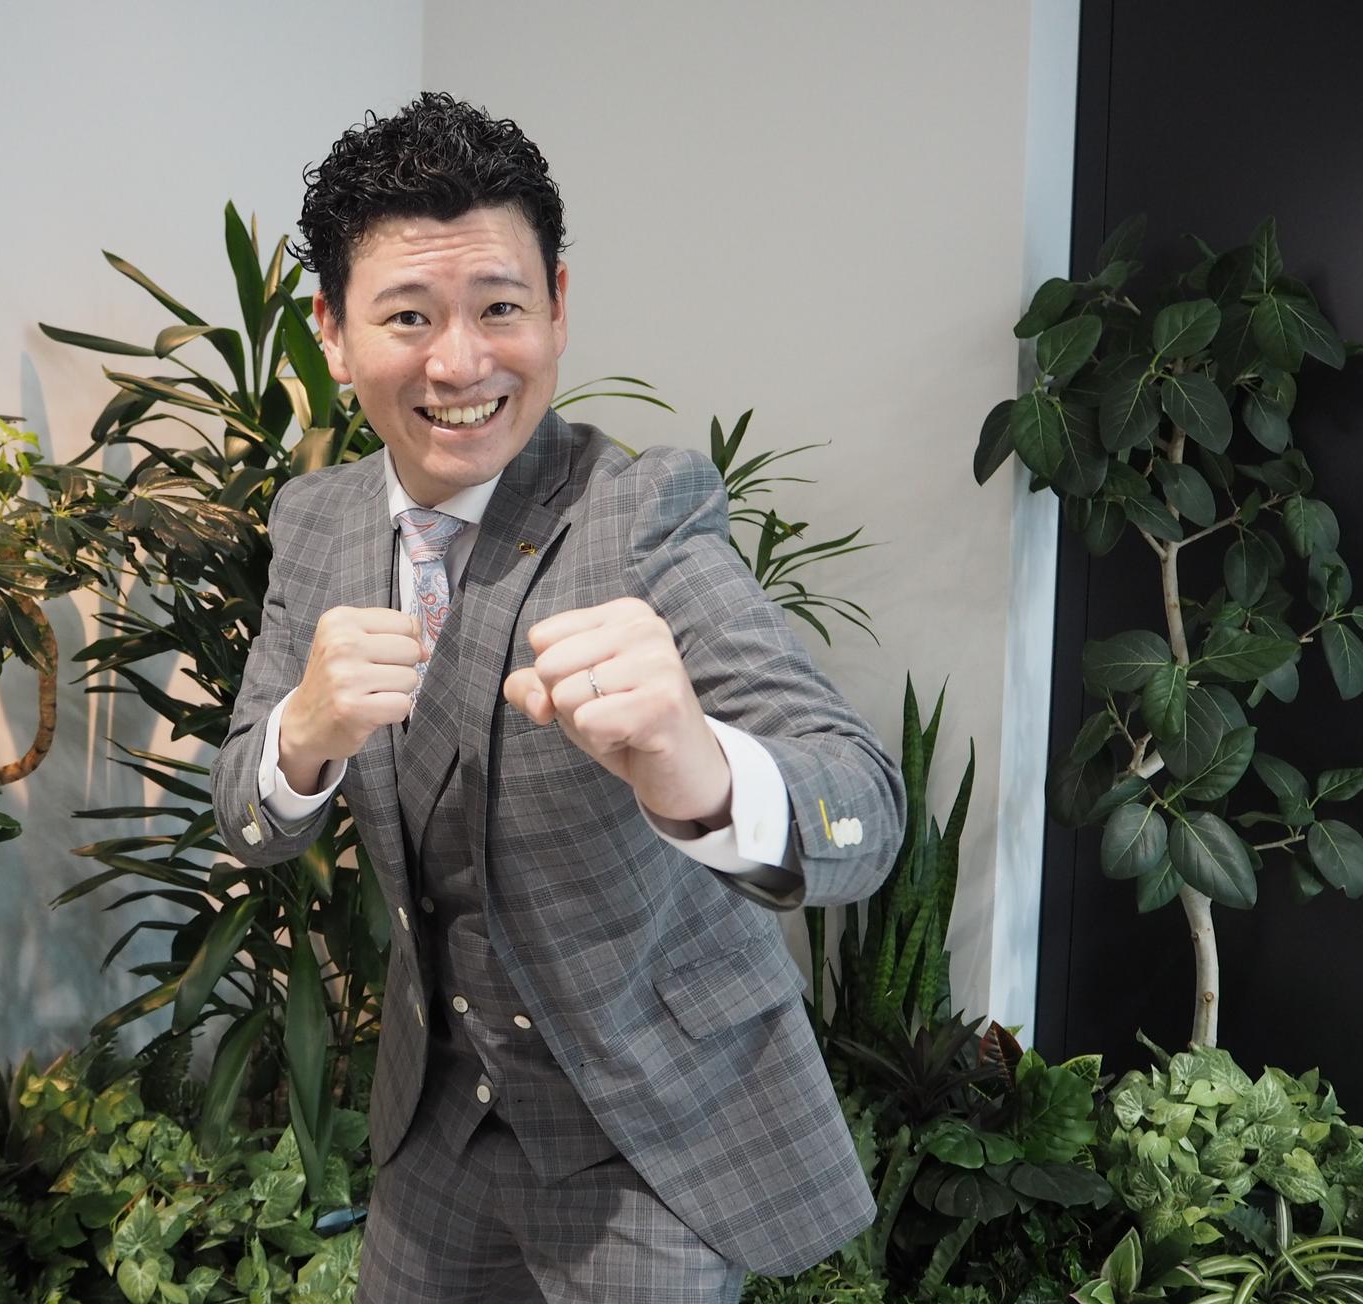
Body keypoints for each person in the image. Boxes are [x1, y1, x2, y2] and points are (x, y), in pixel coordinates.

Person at [211, 91, 905, 1302]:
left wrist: (697, 767)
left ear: (558, 307)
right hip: (436, 1123)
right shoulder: (314, 524)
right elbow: (246, 816)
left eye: (500, 307)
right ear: (331, 332)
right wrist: (303, 734)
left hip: (645, 1130)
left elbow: (865, 810)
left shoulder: (640, 512)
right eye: (408, 316)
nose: (460, 362)